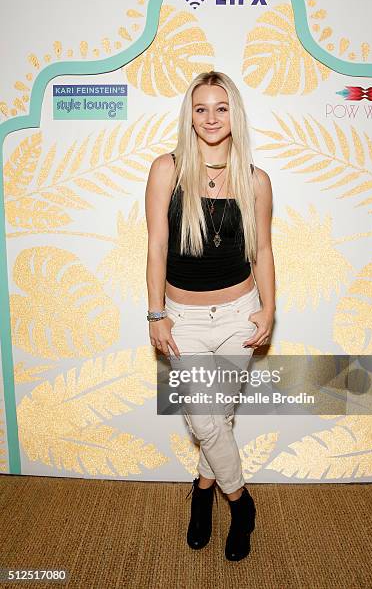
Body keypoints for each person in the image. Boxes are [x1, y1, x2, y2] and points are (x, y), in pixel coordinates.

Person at [145, 70, 275, 561]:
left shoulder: (255, 179)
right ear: (190, 114)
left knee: (215, 417)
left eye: (221, 107)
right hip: (185, 319)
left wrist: (268, 309)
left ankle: (202, 492)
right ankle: (240, 503)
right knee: (205, 417)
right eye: (201, 108)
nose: (211, 117)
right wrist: (156, 312)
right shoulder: (168, 170)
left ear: (234, 114)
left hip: (241, 315)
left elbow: (263, 249)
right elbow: (157, 244)